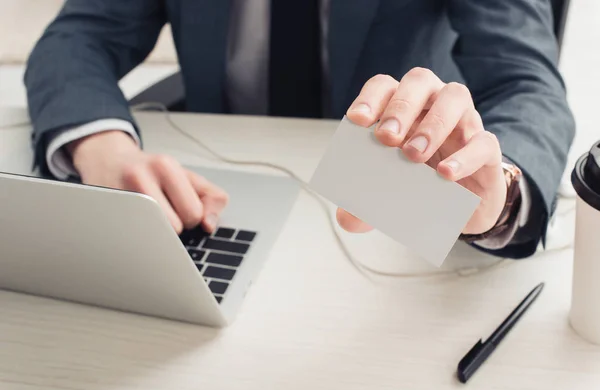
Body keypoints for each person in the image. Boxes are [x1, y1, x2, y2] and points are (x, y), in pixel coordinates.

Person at [24, 0, 575, 259]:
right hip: (224, 188)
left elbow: (528, 83)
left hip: (394, 206)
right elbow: (78, 38)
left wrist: (499, 197)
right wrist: (98, 146)